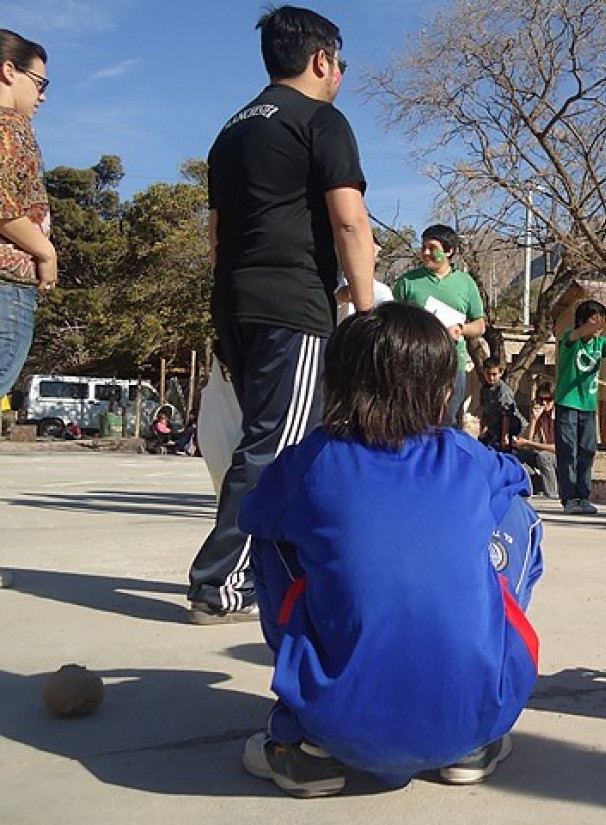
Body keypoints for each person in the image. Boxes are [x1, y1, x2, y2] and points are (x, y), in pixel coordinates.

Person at [238, 302, 541, 796]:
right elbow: (518, 480)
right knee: (516, 517)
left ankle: (303, 745)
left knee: (273, 535)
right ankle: (470, 737)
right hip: (478, 717)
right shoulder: (466, 456)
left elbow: (252, 512)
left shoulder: (313, 460)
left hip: (333, 728)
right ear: (444, 393)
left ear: (332, 387)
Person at [188, 6, 377, 624]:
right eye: (339, 61)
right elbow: (350, 219)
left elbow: (215, 239)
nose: (341, 73)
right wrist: (366, 309)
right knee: (277, 446)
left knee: (275, 438)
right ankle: (221, 582)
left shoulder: (231, 131)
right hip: (291, 304)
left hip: (237, 300)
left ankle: (287, 568)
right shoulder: (320, 120)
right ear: (321, 59)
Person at [0, 29, 57, 400]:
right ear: (8, 70)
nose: (43, 95)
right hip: (7, 287)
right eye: (39, 82)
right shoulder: (9, 127)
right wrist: (45, 252)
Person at [393, 224, 486, 428]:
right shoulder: (407, 282)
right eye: (423, 247)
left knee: (447, 423)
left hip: (453, 365)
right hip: (415, 363)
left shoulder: (466, 283)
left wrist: (460, 330)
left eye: (432, 247)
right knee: (413, 423)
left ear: (449, 251)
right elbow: (393, 323)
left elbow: (479, 325)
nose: (425, 253)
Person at [555, 300, 606, 515]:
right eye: (594, 319)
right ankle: (569, 497)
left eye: (602, 319)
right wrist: (593, 325)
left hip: (588, 407)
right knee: (568, 450)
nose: (600, 324)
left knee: (587, 450)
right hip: (568, 404)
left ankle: (583, 496)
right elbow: (576, 335)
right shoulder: (570, 339)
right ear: (581, 321)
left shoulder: (600, 343)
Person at [513, 381, 559, 499]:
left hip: (561, 457)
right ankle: (534, 485)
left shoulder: (559, 416)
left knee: (544, 457)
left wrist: (529, 443)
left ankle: (553, 494)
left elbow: (557, 448)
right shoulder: (542, 415)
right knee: (519, 455)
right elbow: (526, 441)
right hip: (546, 453)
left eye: (548, 399)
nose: (544, 403)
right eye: (541, 399)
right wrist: (533, 420)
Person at [478, 356, 526, 450]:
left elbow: (506, 416)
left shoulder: (503, 391)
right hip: (495, 428)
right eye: (488, 374)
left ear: (501, 373)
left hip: (513, 429)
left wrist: (505, 437)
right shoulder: (484, 389)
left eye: (494, 374)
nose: (491, 378)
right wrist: (482, 431)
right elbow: (485, 412)